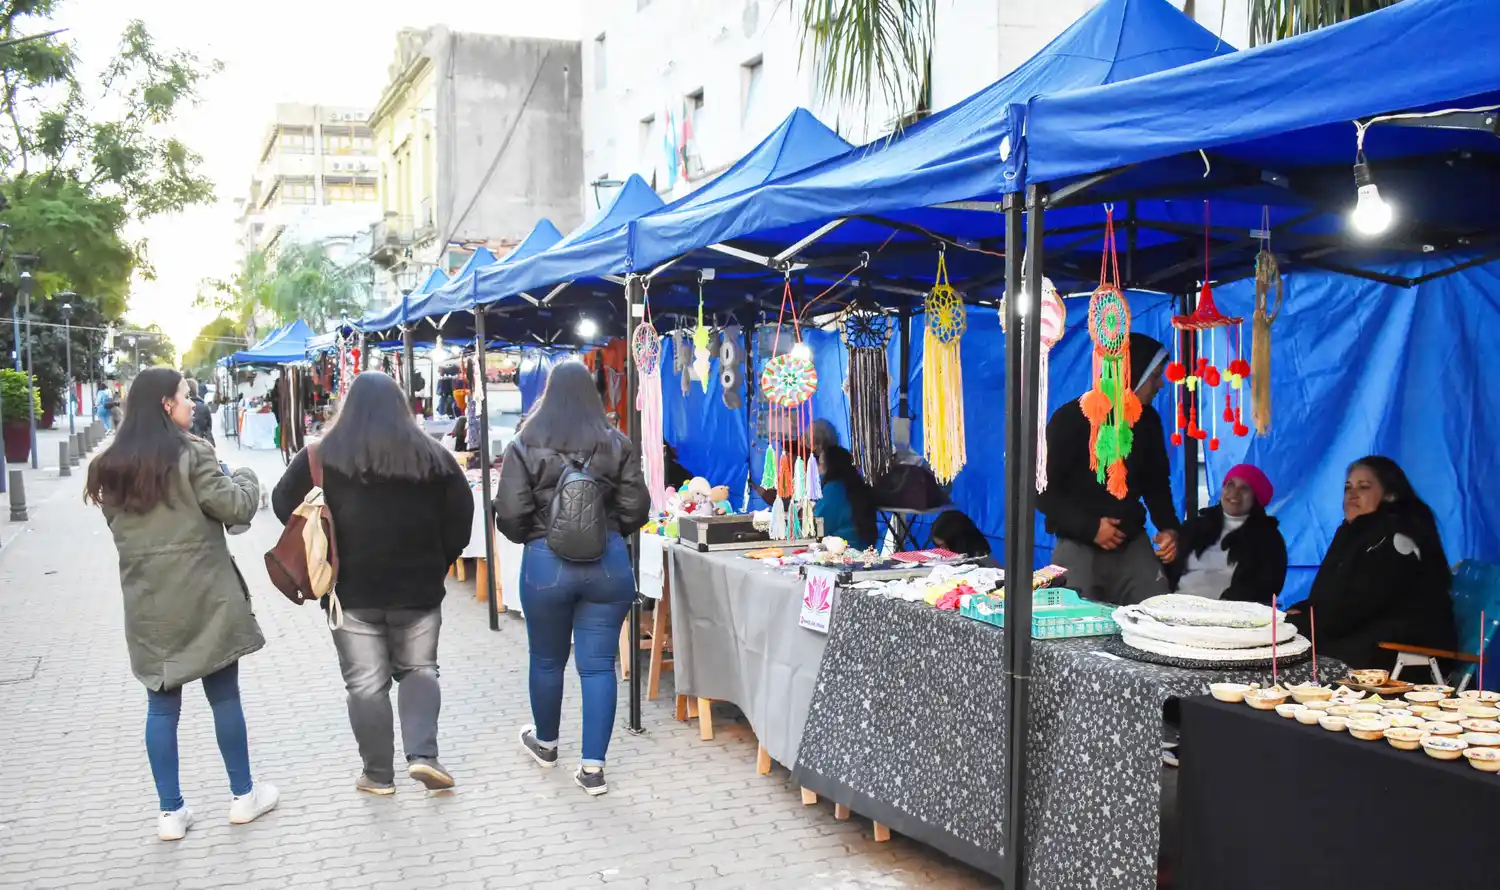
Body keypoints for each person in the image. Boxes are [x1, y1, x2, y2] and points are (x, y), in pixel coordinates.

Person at [83, 367, 277, 841]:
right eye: (186, 397)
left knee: (161, 705)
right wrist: (247, 475)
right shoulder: (194, 453)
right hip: (206, 596)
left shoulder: (110, 465)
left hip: (149, 601)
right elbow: (234, 506)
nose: (192, 404)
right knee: (224, 697)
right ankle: (243, 797)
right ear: (167, 405)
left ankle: (170, 813)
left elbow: (119, 528)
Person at [273, 372, 473, 795]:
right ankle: (423, 756)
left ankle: (378, 776)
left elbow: (280, 505)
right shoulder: (435, 457)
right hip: (418, 591)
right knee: (420, 669)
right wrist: (438, 563)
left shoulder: (319, 457)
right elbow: (462, 519)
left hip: (350, 593)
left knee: (365, 684)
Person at [494, 360, 649, 796]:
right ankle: (593, 770)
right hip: (608, 563)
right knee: (599, 665)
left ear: (549, 392)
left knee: (546, 659)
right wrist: (609, 529)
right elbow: (638, 509)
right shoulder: (617, 442)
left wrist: (537, 537)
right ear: (592, 394)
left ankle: (545, 745)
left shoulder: (525, 442)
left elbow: (508, 512)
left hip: (546, 564)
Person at [1038, 332, 1180, 606]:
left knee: (1157, 614)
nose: (1160, 384)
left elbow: (1157, 486)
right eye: (1155, 376)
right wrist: (1090, 527)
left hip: (1132, 546)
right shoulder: (1071, 419)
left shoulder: (1148, 422)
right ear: (1133, 374)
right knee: (1073, 629)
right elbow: (1041, 491)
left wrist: (1169, 529)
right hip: (1079, 545)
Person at [1289, 456, 1456, 670]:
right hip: (1361, 641)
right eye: (1348, 487)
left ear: (1390, 495)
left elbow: (1357, 606)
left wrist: (1298, 625)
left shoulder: (1396, 538)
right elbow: (1328, 595)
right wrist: (1301, 612)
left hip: (1400, 657)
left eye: (1364, 487)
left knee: (1284, 664)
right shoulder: (1352, 533)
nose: (1352, 494)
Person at [1167, 464, 1286, 603]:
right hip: (1176, 609)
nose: (1234, 493)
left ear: (1256, 497)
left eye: (1244, 488)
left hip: (1231, 616)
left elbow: (1267, 586)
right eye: (1230, 485)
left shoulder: (1269, 539)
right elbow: (1167, 569)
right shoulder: (1194, 527)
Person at [811, 421, 878, 550]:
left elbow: (819, 525)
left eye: (819, 464)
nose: (817, 469)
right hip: (864, 549)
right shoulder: (854, 484)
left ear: (829, 467)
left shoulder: (834, 489)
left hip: (845, 551)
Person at [184, 377, 215, 446]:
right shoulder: (204, 407)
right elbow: (209, 426)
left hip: (187, 443)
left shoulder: (182, 406)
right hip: (203, 441)